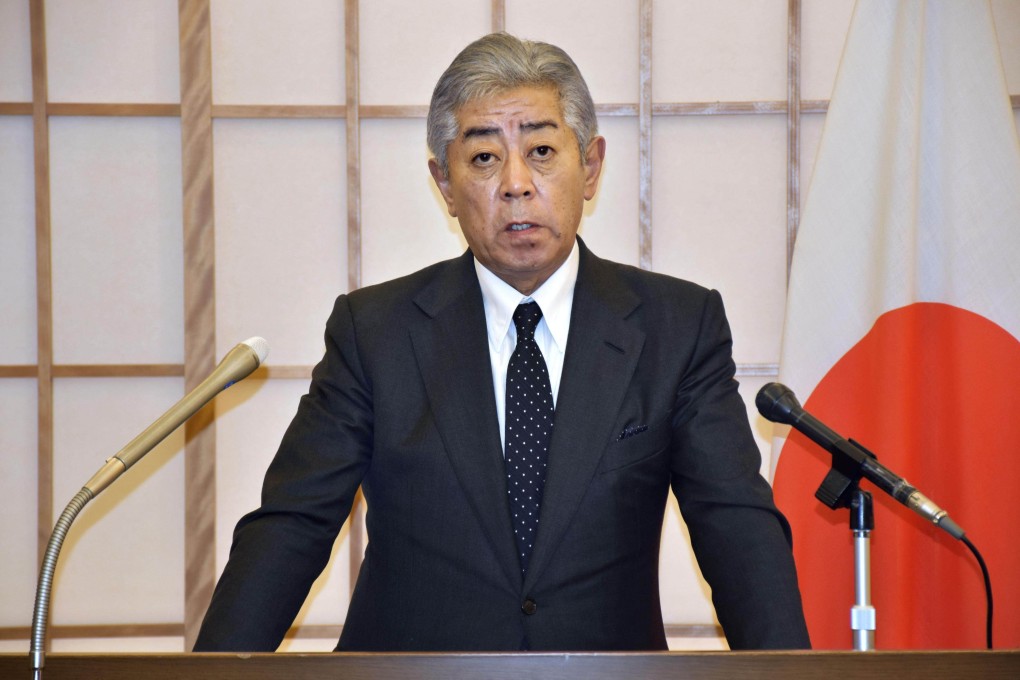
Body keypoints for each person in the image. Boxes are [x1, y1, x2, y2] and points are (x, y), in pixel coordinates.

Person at [194, 32, 810, 652]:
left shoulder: (676, 326)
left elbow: (735, 528)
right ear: (445, 183)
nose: (516, 183)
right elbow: (293, 525)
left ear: (589, 167)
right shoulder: (375, 331)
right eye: (484, 159)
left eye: (541, 150)